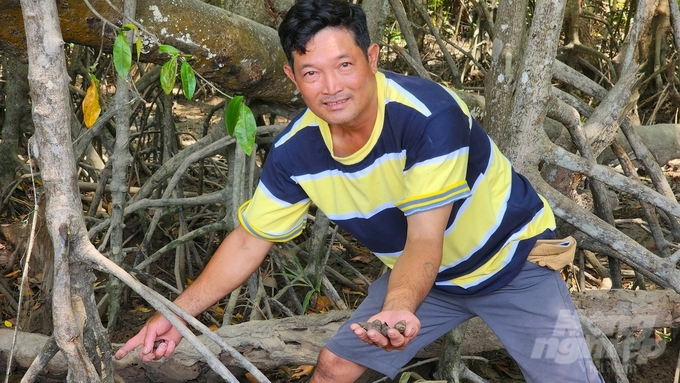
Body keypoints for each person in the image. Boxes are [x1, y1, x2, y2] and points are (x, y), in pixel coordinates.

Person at [116, 1, 604, 382]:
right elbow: (249, 239)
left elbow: (425, 238)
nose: (331, 87)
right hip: (427, 284)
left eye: (344, 65)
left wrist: (397, 307)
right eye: (311, 73)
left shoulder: (429, 117)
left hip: (513, 264)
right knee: (333, 369)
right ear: (291, 78)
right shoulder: (295, 151)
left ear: (371, 58)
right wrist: (177, 315)